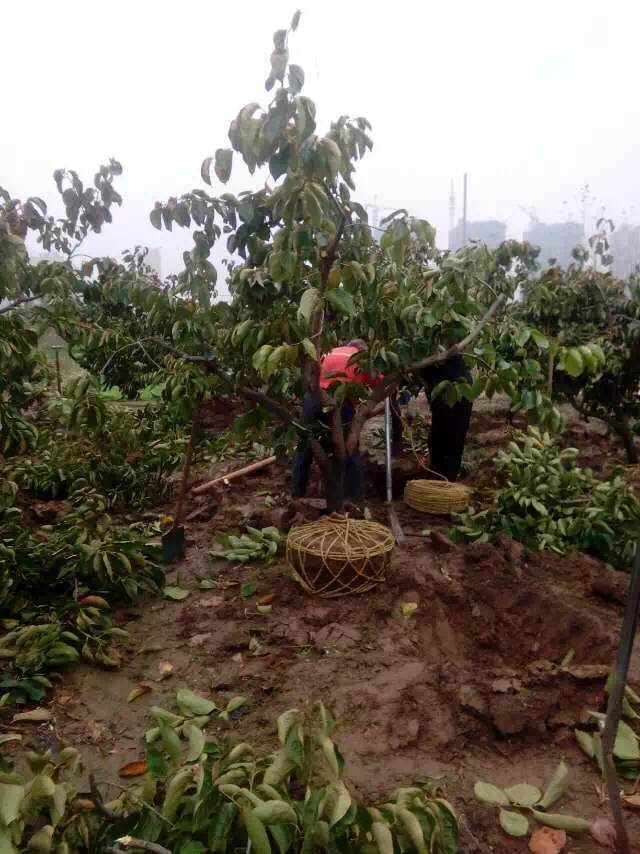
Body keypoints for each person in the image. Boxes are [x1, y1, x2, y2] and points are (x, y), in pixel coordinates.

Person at [292, 339, 379, 502]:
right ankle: (354, 498)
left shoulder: (330, 351)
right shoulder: (363, 358)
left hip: (314, 397)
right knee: (349, 449)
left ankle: (297, 494)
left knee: (305, 446)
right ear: (363, 349)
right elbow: (378, 382)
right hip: (340, 398)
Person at [418, 354, 472, 481]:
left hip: (458, 396)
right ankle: (438, 476)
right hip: (442, 399)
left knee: (453, 440)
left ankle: (448, 481)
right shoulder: (427, 352)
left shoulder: (445, 355)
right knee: (437, 439)